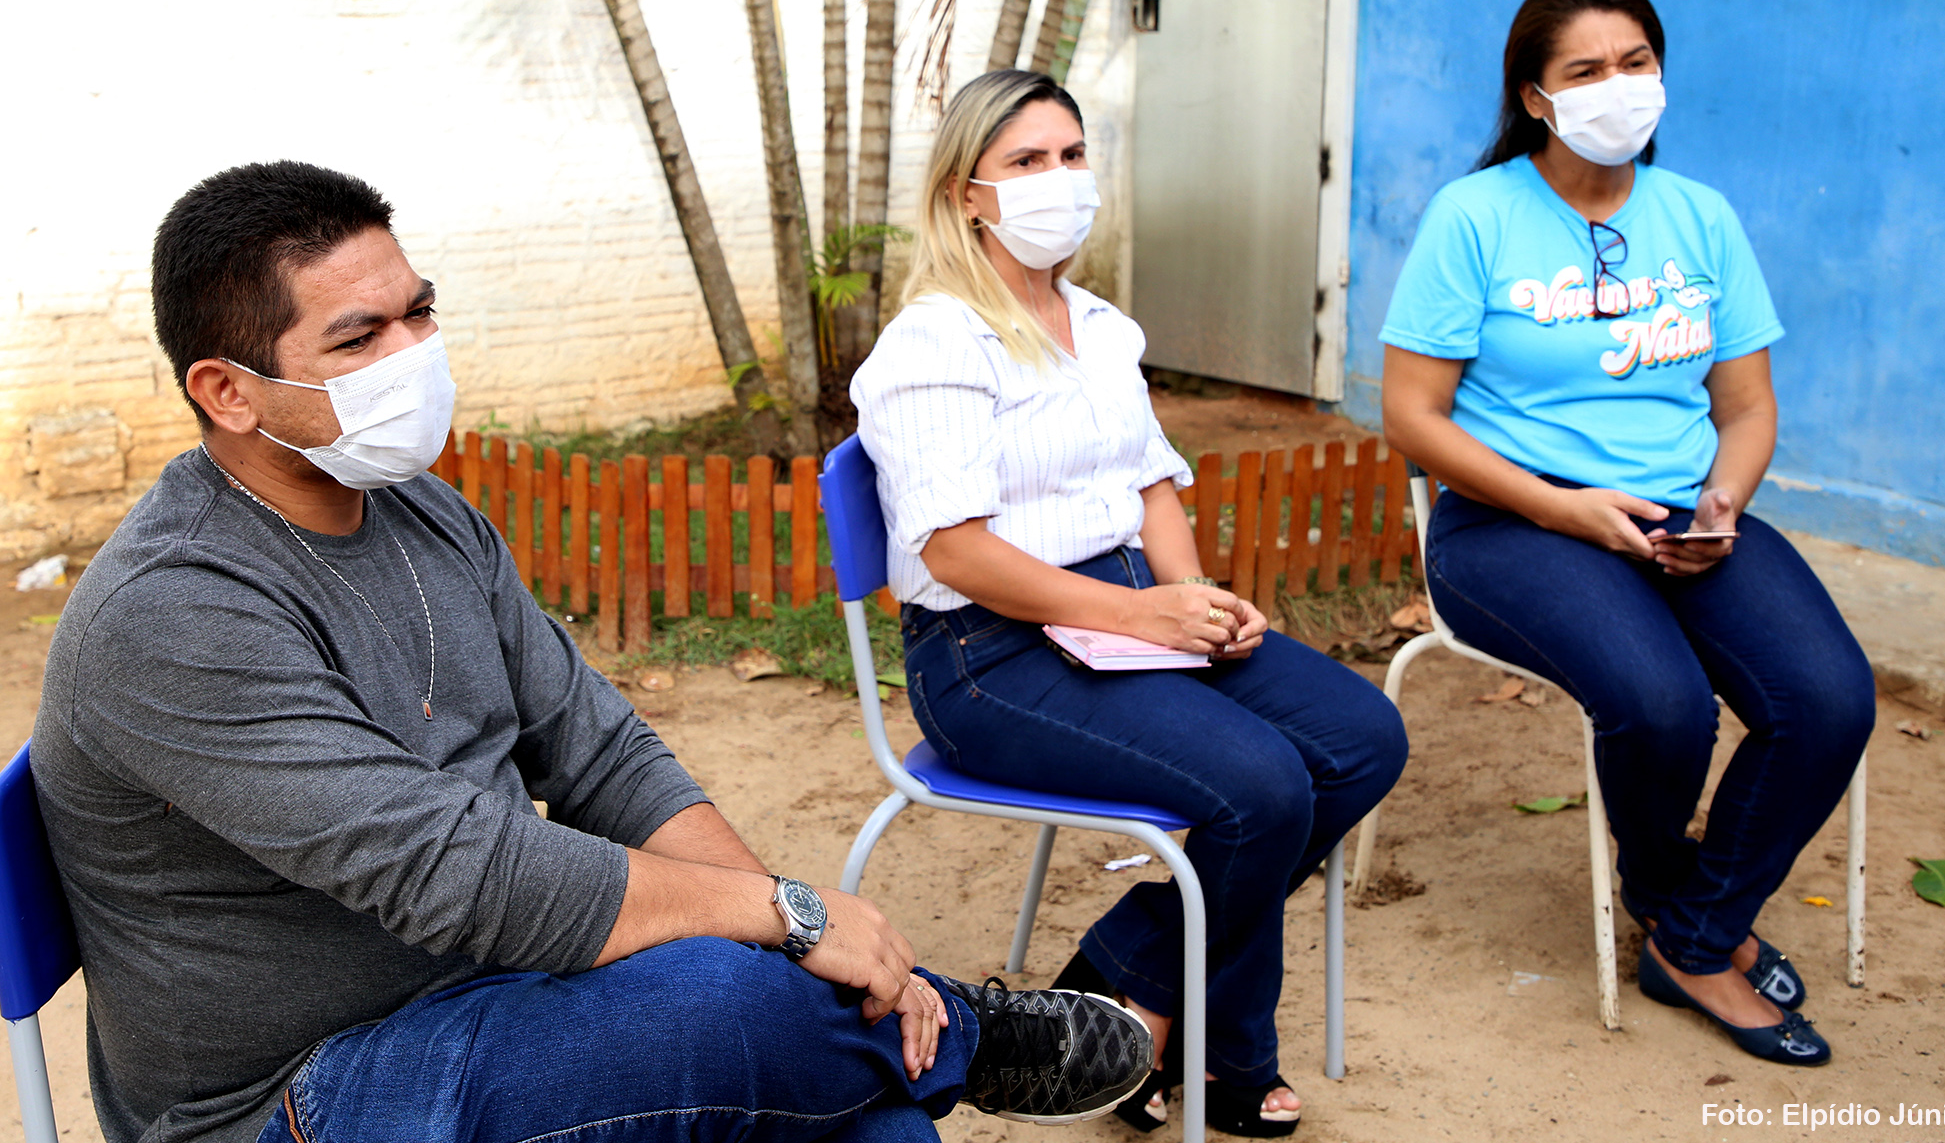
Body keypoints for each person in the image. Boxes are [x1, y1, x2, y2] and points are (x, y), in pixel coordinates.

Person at [32, 160, 1153, 1143]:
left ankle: (906, 1032)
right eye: (359, 338)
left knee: (857, 1104)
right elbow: (455, 870)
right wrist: (791, 918)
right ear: (228, 392)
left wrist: (784, 932)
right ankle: (966, 1031)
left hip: (500, 995)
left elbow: (598, 752)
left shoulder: (424, 513)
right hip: (299, 1095)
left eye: (419, 313)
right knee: (738, 1004)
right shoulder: (173, 611)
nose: (412, 354)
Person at [850, 70, 1408, 1138]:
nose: (1058, 179)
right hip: (988, 658)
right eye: (1025, 161)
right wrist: (1140, 617)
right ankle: (1220, 1051)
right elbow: (955, 551)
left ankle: (1122, 983)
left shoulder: (1100, 325)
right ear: (966, 194)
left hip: (1118, 610)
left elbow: (1150, 486)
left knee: (1359, 738)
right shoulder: (933, 343)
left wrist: (1188, 594)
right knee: (1261, 787)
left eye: (1071, 155)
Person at [1378, 0, 1874, 1067]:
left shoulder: (1698, 215)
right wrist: (1560, 506)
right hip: (1510, 523)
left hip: (1681, 516)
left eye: (1635, 62)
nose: (1618, 86)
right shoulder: (1475, 216)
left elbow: (1745, 408)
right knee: (1660, 705)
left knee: (1828, 698)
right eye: (1586, 70)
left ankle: (1689, 932)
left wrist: (1724, 499)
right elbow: (1411, 415)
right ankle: (1679, 914)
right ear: (1536, 97)